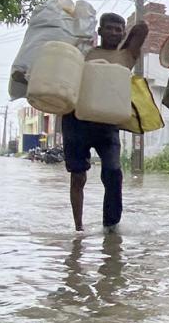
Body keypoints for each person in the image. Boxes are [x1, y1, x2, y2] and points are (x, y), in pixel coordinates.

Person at [62, 13, 148, 233]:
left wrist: (126, 35)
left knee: (113, 172)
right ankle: (78, 229)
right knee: (78, 176)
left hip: (108, 124)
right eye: (109, 28)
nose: (114, 33)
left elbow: (142, 29)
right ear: (98, 32)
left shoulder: (127, 55)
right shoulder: (83, 53)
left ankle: (110, 227)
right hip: (77, 121)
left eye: (118, 29)